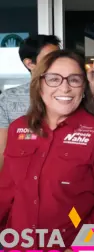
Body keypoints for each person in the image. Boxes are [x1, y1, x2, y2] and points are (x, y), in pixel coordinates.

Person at [0, 49, 94, 252]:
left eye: (74, 79)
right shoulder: (18, 129)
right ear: (40, 84)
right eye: (54, 78)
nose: (65, 88)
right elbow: (7, 190)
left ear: (83, 86)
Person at [0, 34, 60, 170]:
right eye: (51, 58)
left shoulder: (69, 94)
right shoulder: (8, 98)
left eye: (59, 57)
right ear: (30, 63)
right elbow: (2, 150)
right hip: (23, 178)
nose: (58, 62)